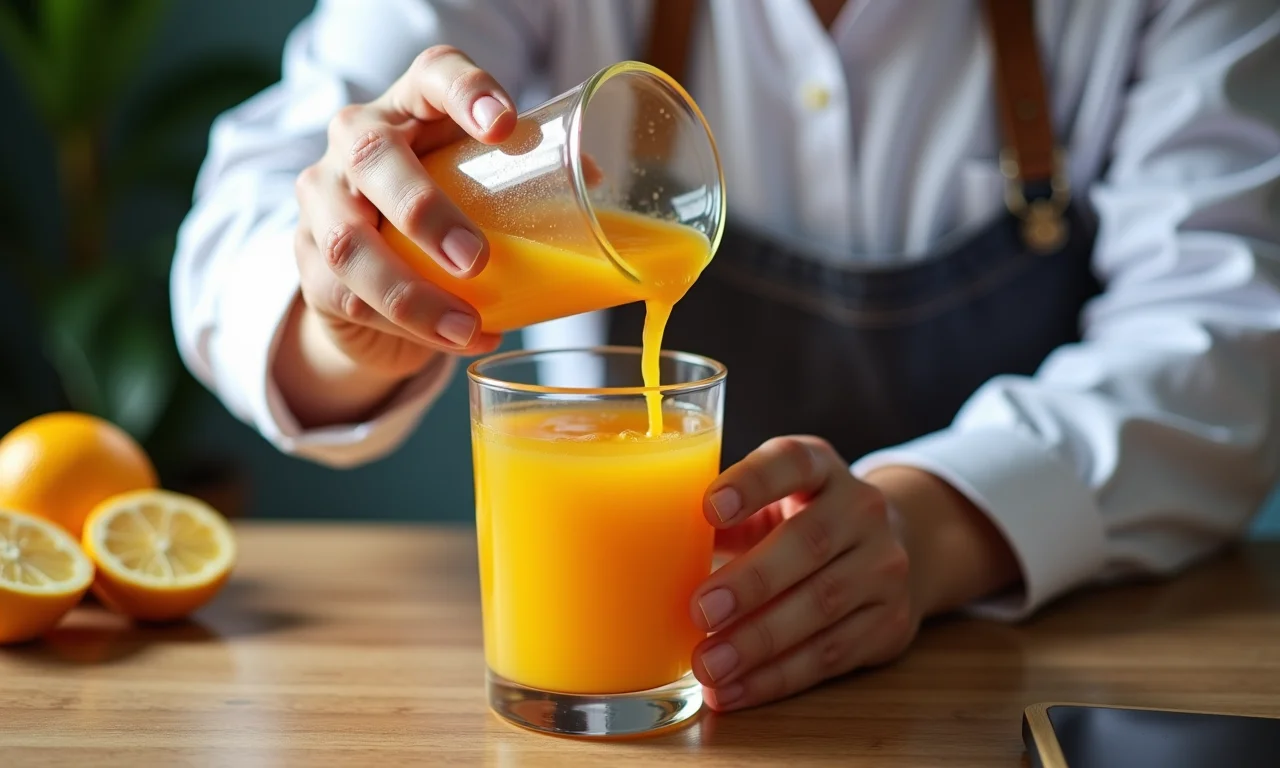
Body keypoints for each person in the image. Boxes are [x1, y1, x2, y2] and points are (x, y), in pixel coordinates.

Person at [172, 0, 1280, 712]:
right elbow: (238, 232)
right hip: (610, 693)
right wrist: (342, 309)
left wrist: (933, 523)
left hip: (996, 696)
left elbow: (1224, 337)